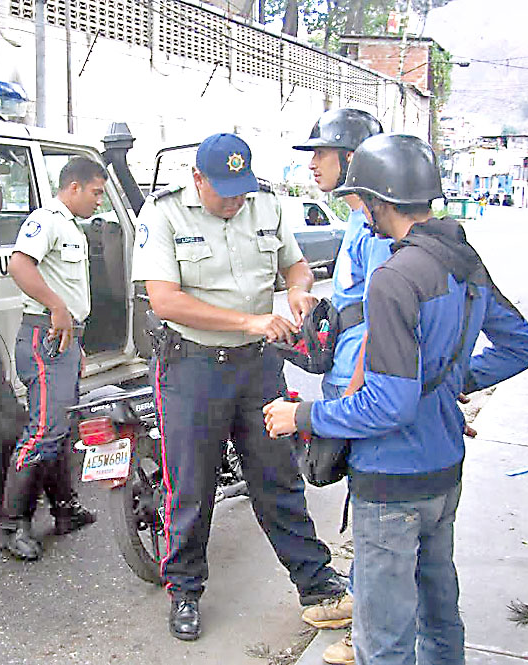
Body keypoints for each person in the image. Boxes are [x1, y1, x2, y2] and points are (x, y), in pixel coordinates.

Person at [264, 134, 528, 665]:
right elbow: (523, 346)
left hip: (393, 485)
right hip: (444, 472)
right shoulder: (463, 260)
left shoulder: (392, 278)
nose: (360, 208)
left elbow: (388, 405)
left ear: (379, 201)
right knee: (439, 620)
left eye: (362, 197)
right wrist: (452, 379)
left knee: (385, 640)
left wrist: (300, 413)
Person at [132, 132, 346, 642]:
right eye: (223, 190)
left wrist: (298, 291)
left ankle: (318, 587)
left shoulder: (265, 204)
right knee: (191, 487)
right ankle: (184, 590)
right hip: (191, 369)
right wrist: (247, 322)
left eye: (240, 190)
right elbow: (164, 300)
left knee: (278, 479)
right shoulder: (162, 215)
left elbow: (293, 264)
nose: (234, 202)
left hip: (257, 369)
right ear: (197, 179)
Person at [291, 108, 390, 663]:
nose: (311, 165)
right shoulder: (356, 222)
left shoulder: (377, 229)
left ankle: (372, 629)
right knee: (360, 498)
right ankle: (359, 598)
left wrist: (353, 393)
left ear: (351, 159)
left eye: (321, 154)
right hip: (344, 380)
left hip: (362, 390)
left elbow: (382, 321)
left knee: (373, 511)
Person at [0, 157, 107, 561]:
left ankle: (65, 509)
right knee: (43, 430)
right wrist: (56, 307)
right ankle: (14, 524)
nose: (99, 201)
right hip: (46, 336)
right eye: (96, 192)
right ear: (74, 187)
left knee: (60, 427)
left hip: (65, 341)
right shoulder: (46, 220)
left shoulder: (70, 226)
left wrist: (76, 343)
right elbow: (19, 264)